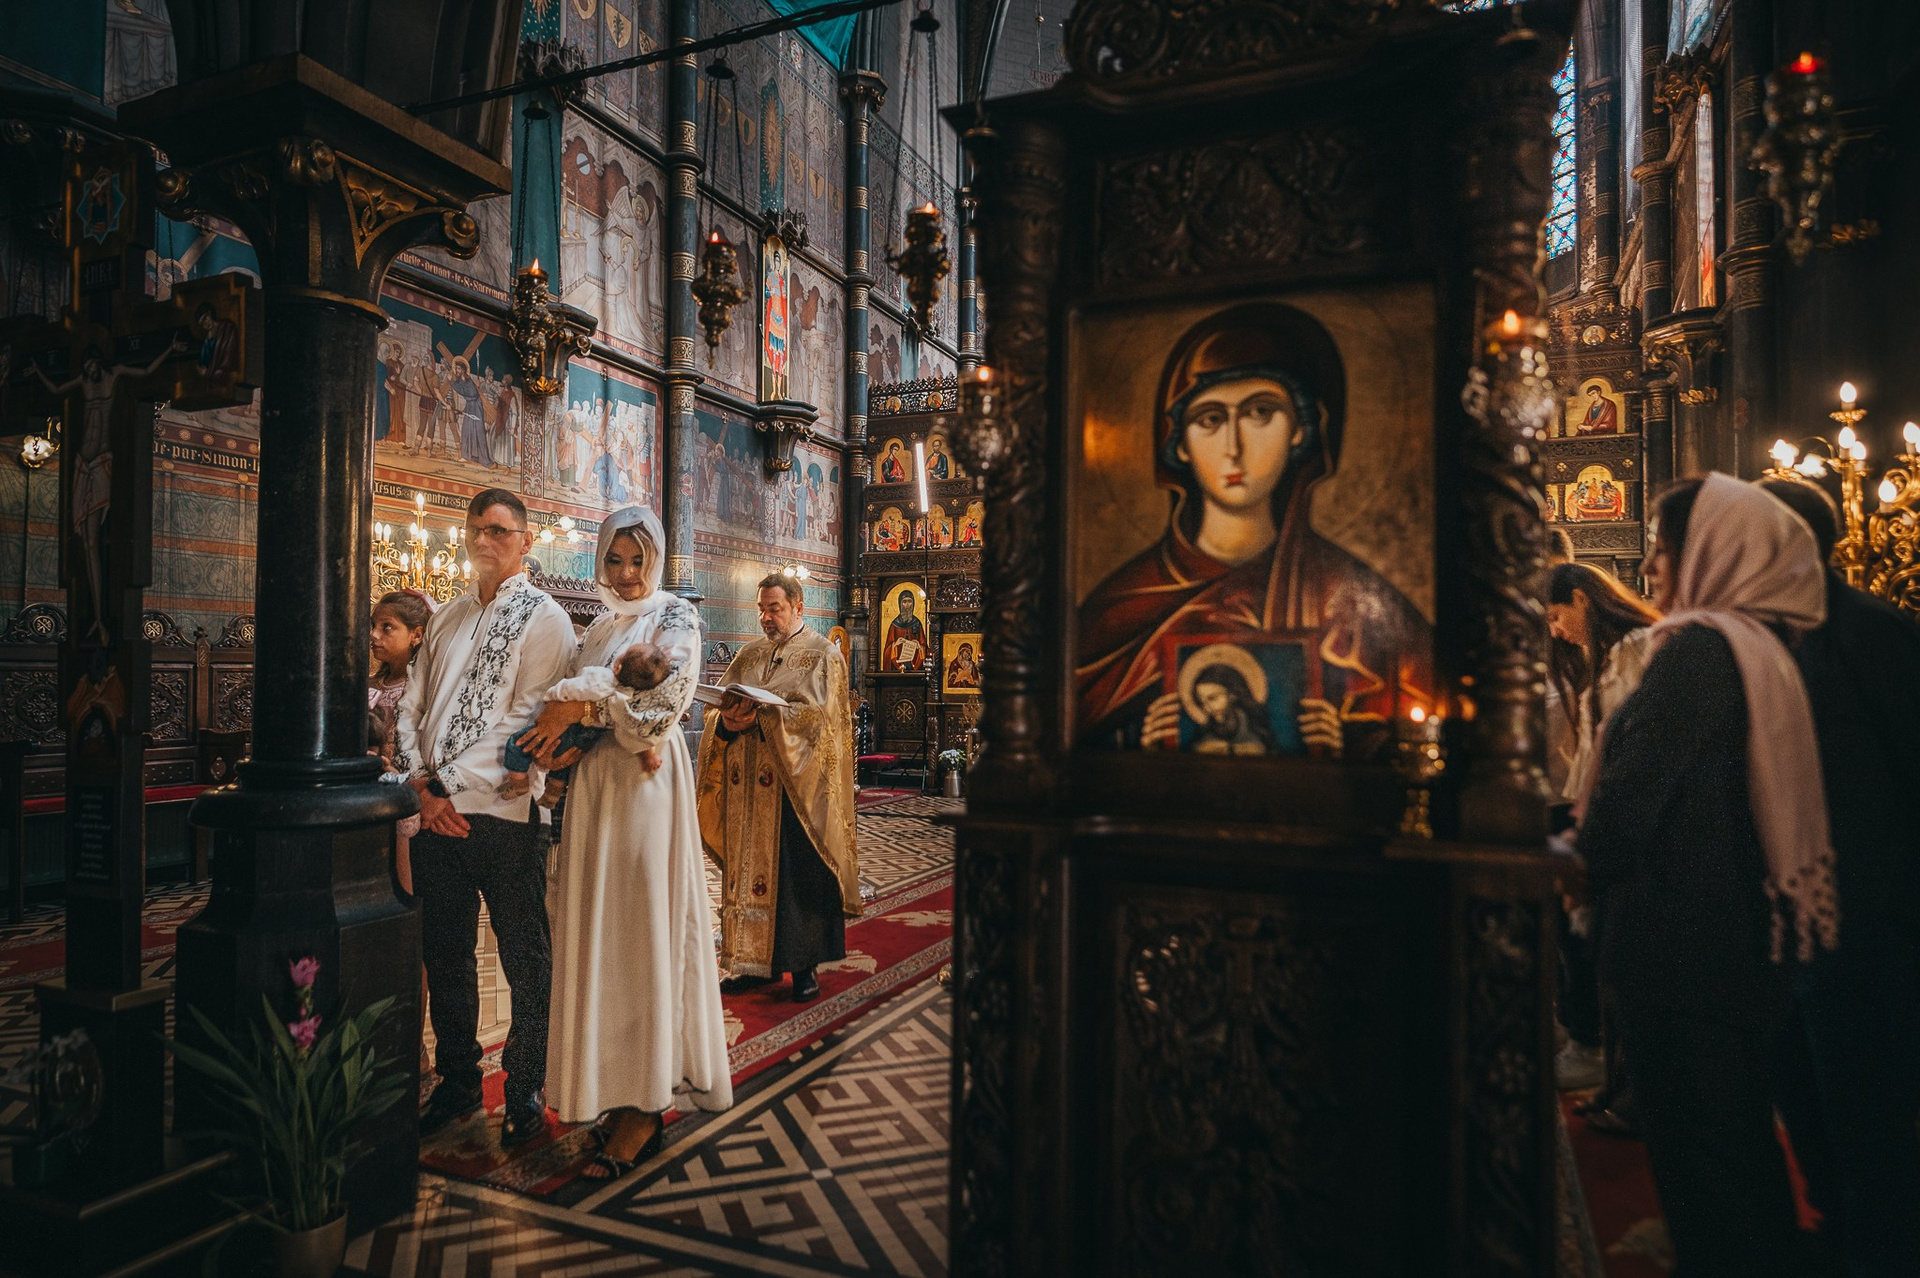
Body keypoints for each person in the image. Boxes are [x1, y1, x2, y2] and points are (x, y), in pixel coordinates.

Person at [1576, 473, 1838, 1277]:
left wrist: (1574, 855)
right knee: (1733, 1144)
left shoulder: (1698, 652)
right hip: (1731, 940)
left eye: (1666, 545)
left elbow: (1629, 804)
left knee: (1703, 1159)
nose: (1651, 564)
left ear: (1714, 551)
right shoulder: (1758, 646)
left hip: (1681, 949)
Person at [1074, 302, 1430, 757]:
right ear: (1179, 444)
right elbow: (1075, 734)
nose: (1234, 446)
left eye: (1260, 412)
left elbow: (1418, 725)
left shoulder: (1346, 600)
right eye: (1210, 419)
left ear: (1299, 430)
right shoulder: (1119, 609)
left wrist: (1348, 745)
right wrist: (1135, 742)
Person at [523, 507, 733, 1179]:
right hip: (594, 793)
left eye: (638, 560)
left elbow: (659, 710)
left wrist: (585, 709)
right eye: (614, 560)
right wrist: (564, 745)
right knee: (600, 940)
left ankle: (646, 1106)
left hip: (644, 795)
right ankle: (614, 1091)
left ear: (658, 559)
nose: (626, 573)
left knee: (641, 938)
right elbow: (574, 708)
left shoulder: (676, 618)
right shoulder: (599, 628)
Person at [1761, 478, 1920, 1277]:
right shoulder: (1771, 635)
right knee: (1809, 1101)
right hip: (1794, 922)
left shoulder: (1872, 633)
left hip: (1868, 918)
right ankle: (1838, 1236)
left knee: (1870, 1114)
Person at [395, 488, 575, 1148]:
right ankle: (459, 1080)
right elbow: (411, 707)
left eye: (499, 531)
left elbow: (525, 723)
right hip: (434, 816)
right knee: (445, 955)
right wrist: (422, 787)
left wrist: (448, 786)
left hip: (505, 814)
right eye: (476, 529)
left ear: (526, 541)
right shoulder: (446, 616)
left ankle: (524, 1084)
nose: (483, 540)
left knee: (526, 959)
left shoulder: (546, 618)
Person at [698, 574, 861, 1003]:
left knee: (795, 876)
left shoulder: (823, 656)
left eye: (775, 608)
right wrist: (726, 721)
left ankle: (804, 967)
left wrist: (765, 717)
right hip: (748, 792)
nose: (766, 618)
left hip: (796, 793)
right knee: (745, 875)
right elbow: (720, 707)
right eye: (762, 609)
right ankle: (753, 964)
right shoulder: (749, 654)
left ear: (798, 606)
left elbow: (822, 723)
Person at [1545, 562, 1660, 1102]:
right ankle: (1605, 1064)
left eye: (1557, 615)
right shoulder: (1604, 655)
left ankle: (1604, 1059)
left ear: (1581, 598)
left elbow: (1630, 741)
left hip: (1625, 814)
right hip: (1592, 807)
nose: (1555, 631)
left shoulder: (1637, 647)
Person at [498, 641, 671, 806]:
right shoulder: (626, 700)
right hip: (591, 739)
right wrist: (648, 755)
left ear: (618, 667)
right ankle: (553, 792)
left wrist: (551, 698)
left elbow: (568, 688)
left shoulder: (600, 678)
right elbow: (632, 732)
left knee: (518, 744)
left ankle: (519, 783)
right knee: (566, 758)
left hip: (569, 728)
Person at [369, 589, 434, 896]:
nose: (374, 635)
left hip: (409, 792)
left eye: (387, 627)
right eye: (373, 626)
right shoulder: (370, 684)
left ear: (416, 635)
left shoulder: (422, 688)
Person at [883, 588, 927, 670]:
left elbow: (924, 647)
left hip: (914, 664)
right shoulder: (895, 624)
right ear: (900, 604)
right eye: (904, 602)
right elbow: (887, 651)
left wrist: (919, 646)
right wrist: (895, 644)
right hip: (898, 665)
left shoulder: (917, 623)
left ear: (913, 603)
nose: (907, 605)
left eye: (909, 601)